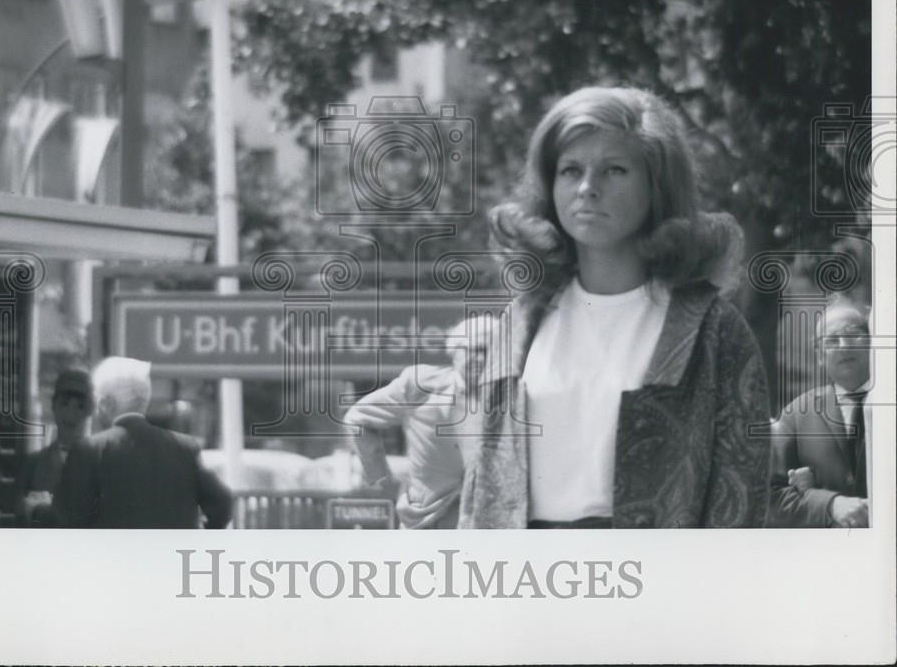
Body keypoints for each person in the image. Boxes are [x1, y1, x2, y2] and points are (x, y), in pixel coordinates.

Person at [459, 86, 771, 529]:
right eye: (570, 170)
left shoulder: (713, 330)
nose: (587, 188)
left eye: (615, 170)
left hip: (657, 586)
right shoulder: (523, 319)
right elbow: (483, 487)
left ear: (657, 186)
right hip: (527, 585)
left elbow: (740, 504)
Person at [346, 318, 499, 528]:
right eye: (475, 350)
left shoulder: (510, 396)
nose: (481, 359)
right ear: (454, 352)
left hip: (488, 524)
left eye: (489, 351)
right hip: (425, 521)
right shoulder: (419, 384)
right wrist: (382, 482)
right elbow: (357, 419)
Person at [55, 357, 233, 528]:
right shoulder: (185, 448)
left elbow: (66, 519)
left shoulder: (88, 451)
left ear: (107, 403)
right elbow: (223, 504)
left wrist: (35, 509)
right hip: (172, 557)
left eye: (98, 402)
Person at [769, 300, 872, 528]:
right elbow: (770, 496)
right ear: (819, 355)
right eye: (832, 339)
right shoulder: (796, 414)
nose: (844, 346)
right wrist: (829, 504)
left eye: (853, 334)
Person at [15, 368, 94, 527]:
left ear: (90, 411)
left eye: (80, 406)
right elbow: (19, 522)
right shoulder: (33, 464)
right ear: (54, 407)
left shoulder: (102, 465)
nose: (71, 414)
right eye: (64, 404)